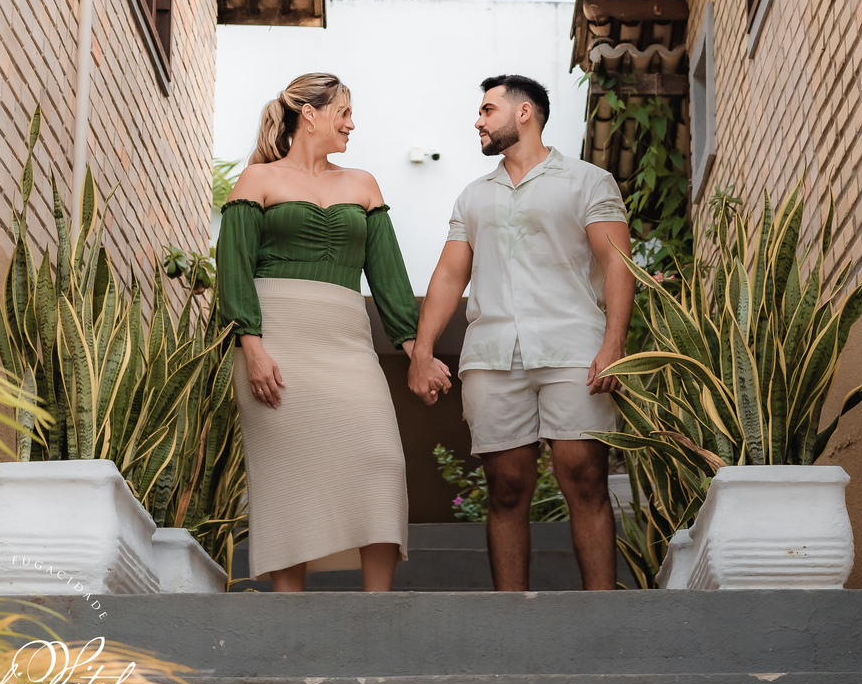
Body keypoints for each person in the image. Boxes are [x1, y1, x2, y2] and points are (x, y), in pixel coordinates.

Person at [216, 71, 449, 592]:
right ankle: (290, 612)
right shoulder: (257, 180)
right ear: (310, 114)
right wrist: (252, 347)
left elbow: (389, 279)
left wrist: (418, 353)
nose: (350, 123)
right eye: (342, 112)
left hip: (347, 344)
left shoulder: (363, 184)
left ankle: (377, 611)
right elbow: (233, 271)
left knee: (381, 462)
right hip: (276, 343)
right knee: (289, 479)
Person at [408, 74, 633, 591]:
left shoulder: (588, 182)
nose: (478, 120)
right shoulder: (473, 196)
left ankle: (602, 616)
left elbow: (617, 263)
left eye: (488, 110)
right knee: (506, 486)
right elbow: (448, 275)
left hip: (574, 348)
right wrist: (422, 351)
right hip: (492, 358)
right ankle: (510, 621)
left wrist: (613, 345)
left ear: (524, 113)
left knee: (585, 477)